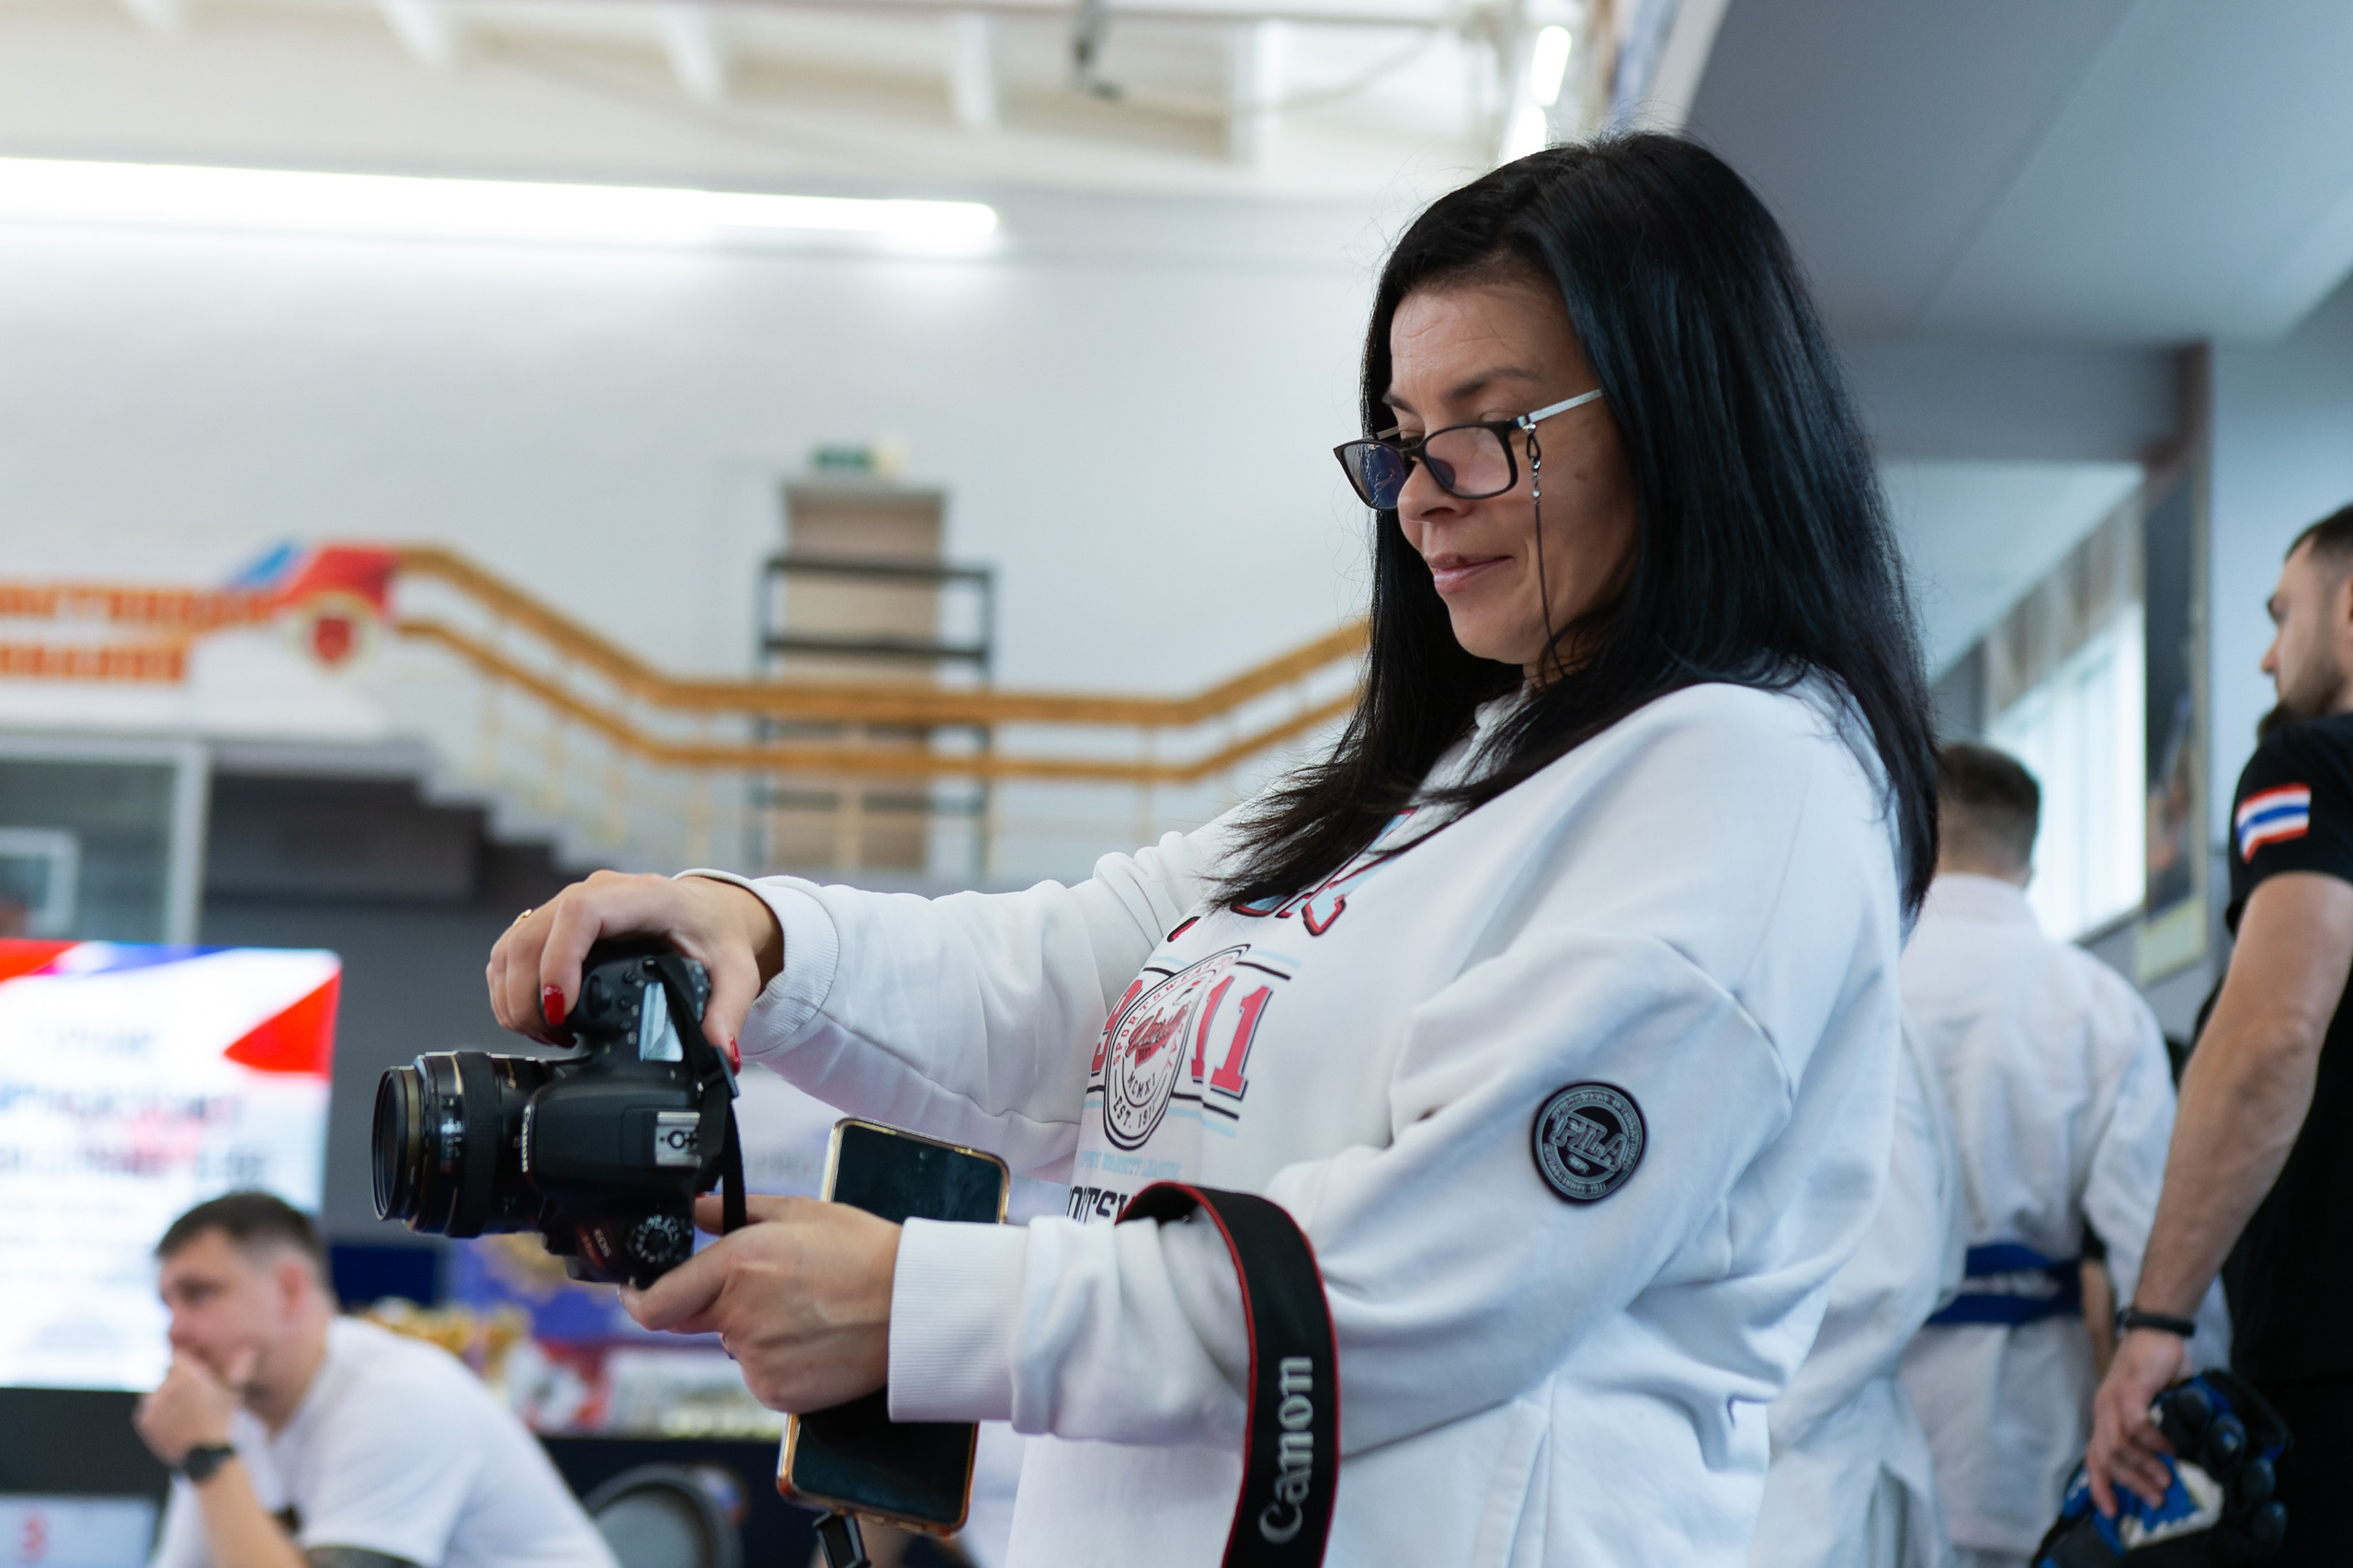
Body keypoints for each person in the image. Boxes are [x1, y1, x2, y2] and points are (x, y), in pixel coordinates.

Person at [486, 132, 1940, 1567]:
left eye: (1487, 429)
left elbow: (1428, 1278)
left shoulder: (1750, 775)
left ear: (1682, 417)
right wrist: (754, 934)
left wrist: (921, 1307)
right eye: (1404, 438)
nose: (1425, 492)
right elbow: (1068, 974)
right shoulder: (1444, 774)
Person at [2087, 503, 2353, 1565]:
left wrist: (2157, 1320)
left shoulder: (2312, 766)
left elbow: (2271, 1030)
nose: (2263, 652)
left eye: (2282, 613)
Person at [1898, 745, 2219, 1568]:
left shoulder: (1859, 976)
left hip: (1852, 1413)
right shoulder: (2098, 1006)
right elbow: (2158, 1237)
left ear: (1915, 837)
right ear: (2031, 863)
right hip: (2031, 1428)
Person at [136, 1192, 616, 1568]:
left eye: (199, 1295)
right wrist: (207, 1450)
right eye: (167, 1305)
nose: (175, 1330)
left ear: (288, 1289)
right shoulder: (226, 1414)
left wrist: (206, 1456)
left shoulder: (395, 1395)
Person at [1748, 1022, 1964, 1568]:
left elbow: (1891, 1279)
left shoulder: (1859, 1021)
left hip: (1803, 1463)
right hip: (1787, 1452)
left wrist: (1742, 1419)